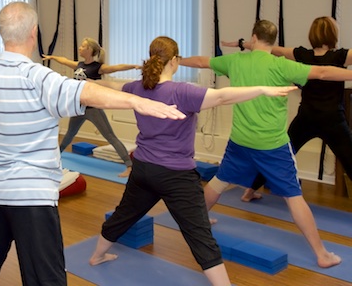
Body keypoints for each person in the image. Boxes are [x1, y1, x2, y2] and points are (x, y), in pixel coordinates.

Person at [0, 2, 186, 286]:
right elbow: (88, 92)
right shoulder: (39, 77)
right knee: (46, 279)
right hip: (33, 198)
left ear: (2, 33)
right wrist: (139, 102)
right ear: (33, 32)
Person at [88, 36, 296, 286]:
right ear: (174, 61)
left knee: (124, 214)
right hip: (176, 176)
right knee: (199, 234)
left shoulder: (138, 87)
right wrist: (262, 89)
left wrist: (84, 81)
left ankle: (97, 256)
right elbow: (222, 97)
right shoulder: (181, 91)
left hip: (143, 168)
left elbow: (110, 86)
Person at [180, 19, 349, 268]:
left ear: (254, 38)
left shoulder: (235, 61)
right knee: (293, 196)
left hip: (240, 140)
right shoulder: (282, 65)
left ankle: (195, 219)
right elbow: (323, 72)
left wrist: (175, 59)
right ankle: (321, 254)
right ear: (273, 40)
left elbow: (201, 62)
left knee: (219, 181)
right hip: (272, 145)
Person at [224, 16, 352, 202]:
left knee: (277, 154)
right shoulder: (341, 56)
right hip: (332, 119)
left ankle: (249, 191)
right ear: (333, 34)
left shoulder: (302, 55)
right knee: (349, 160)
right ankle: (250, 191)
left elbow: (270, 49)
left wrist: (242, 43)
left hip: (306, 117)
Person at [43, 38, 141, 177]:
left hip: (93, 109)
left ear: (89, 50)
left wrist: (133, 66)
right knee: (69, 134)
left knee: (110, 136)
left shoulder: (97, 67)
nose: (80, 48)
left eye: (83, 46)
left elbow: (117, 67)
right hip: (78, 107)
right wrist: (52, 57)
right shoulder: (79, 64)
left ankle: (129, 166)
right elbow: (64, 60)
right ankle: (55, 158)